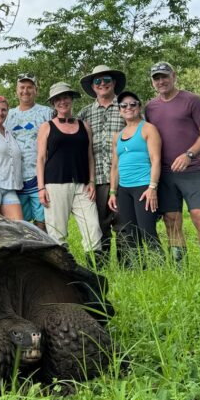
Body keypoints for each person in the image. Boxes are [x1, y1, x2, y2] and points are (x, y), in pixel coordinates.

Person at [144, 61, 200, 272]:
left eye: (164, 76)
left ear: (174, 76)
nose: (161, 81)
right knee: (171, 220)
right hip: (165, 174)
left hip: (192, 170)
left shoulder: (191, 101)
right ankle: (181, 273)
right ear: (152, 82)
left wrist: (189, 154)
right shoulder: (150, 107)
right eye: (156, 78)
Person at [36, 82, 102, 259]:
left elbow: (90, 156)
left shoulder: (84, 126)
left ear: (71, 99)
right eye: (58, 99)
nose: (62, 101)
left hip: (82, 185)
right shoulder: (47, 127)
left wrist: (92, 181)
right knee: (57, 231)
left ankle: (98, 271)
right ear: (53, 103)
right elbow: (41, 158)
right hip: (55, 184)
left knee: (93, 227)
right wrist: (41, 188)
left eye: (65, 97)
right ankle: (64, 272)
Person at [78, 64, 127, 263]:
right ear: (93, 86)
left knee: (124, 225)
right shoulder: (84, 113)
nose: (102, 84)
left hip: (123, 177)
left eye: (106, 80)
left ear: (114, 83)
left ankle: (127, 269)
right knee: (99, 226)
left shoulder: (127, 107)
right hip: (95, 179)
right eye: (97, 81)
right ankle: (103, 270)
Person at [108, 91, 162, 264]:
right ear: (119, 110)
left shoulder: (148, 129)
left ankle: (160, 268)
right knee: (130, 232)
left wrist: (152, 187)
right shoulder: (118, 136)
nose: (128, 108)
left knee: (147, 230)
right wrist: (112, 192)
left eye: (133, 104)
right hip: (124, 190)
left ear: (139, 107)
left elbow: (156, 160)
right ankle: (140, 269)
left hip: (143, 187)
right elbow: (115, 166)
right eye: (124, 105)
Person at [7, 73, 53, 230]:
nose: (25, 91)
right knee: (21, 224)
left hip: (40, 177)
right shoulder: (8, 114)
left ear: (36, 90)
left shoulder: (47, 112)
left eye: (29, 87)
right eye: (22, 87)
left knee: (42, 222)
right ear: (16, 91)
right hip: (16, 179)